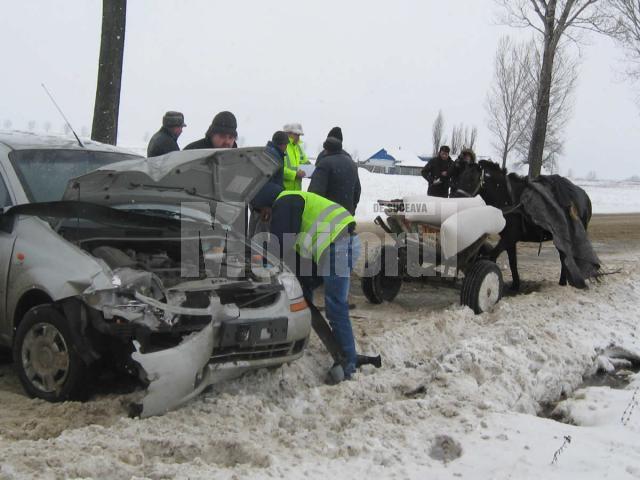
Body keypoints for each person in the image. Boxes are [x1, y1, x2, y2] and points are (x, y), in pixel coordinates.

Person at [268, 190, 361, 381]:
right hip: (345, 241)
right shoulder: (295, 202)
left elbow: (278, 248)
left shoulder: (283, 203)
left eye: (262, 212)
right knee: (304, 290)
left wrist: (265, 266)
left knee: (335, 307)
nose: (263, 218)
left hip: (339, 245)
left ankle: (348, 365)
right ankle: (303, 341)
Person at [309, 127, 361, 226]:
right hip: (346, 215)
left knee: (325, 240)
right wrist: (351, 210)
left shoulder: (324, 161)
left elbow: (316, 191)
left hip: (328, 215)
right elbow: (357, 190)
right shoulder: (351, 163)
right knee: (344, 240)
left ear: (326, 148)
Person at [248, 131, 287, 237]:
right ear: (283, 144)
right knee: (262, 234)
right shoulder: (274, 157)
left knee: (253, 230)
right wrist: (278, 195)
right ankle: (256, 252)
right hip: (265, 204)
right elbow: (266, 181)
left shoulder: (267, 152)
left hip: (254, 199)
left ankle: (249, 250)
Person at [282, 123, 310, 191]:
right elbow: (277, 169)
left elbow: (305, 162)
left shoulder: (298, 147)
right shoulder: (282, 146)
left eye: (299, 135)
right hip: (284, 190)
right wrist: (294, 174)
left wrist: (311, 169)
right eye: (296, 134)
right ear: (288, 133)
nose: (298, 137)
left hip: (297, 190)